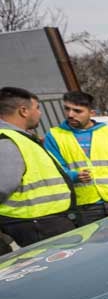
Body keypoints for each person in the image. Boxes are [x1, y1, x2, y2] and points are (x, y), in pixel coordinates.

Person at [43, 90, 108, 225]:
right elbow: (55, 170)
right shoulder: (54, 136)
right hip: (85, 207)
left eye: (77, 111)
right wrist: (73, 176)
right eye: (67, 109)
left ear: (92, 113)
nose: (70, 114)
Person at [0, 86, 74, 245]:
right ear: (23, 111)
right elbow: (3, 187)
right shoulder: (6, 141)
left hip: (44, 223)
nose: (39, 113)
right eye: (37, 108)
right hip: (36, 226)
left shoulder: (20, 138)